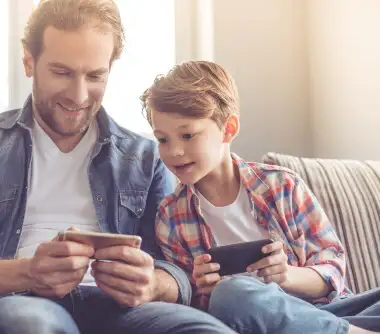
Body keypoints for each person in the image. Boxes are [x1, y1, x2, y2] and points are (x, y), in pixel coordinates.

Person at [0, 2, 236, 334]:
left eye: (94, 76)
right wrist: (27, 272)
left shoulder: (148, 158)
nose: (79, 96)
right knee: (31, 326)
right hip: (19, 304)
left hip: (125, 312)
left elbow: (180, 267)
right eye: (61, 72)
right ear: (29, 61)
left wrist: (154, 285)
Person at [140, 60, 380, 334]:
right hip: (254, 318)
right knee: (231, 293)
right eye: (163, 140)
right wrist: (201, 291)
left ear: (228, 129)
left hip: (331, 313)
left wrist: (286, 275)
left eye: (187, 135)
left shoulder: (282, 186)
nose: (175, 151)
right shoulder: (171, 218)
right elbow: (195, 311)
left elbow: (332, 271)